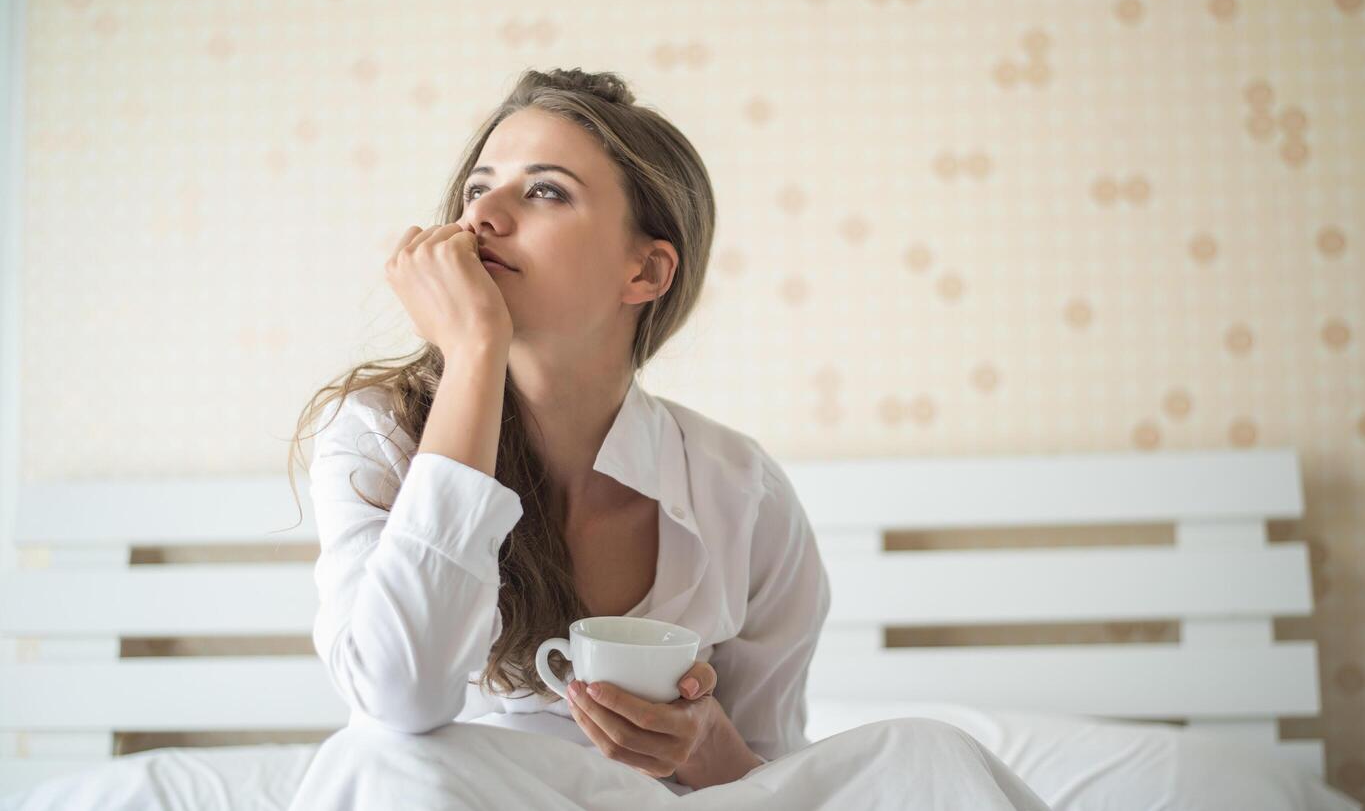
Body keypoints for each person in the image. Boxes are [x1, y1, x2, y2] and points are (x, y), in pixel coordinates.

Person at [282, 67, 1052, 810]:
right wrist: (475, 356)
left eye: (544, 190)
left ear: (644, 272)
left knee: (924, 755)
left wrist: (701, 743)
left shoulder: (737, 489)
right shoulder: (378, 435)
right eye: (478, 187)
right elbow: (396, 697)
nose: (484, 215)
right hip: (481, 797)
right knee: (378, 760)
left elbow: (771, 779)